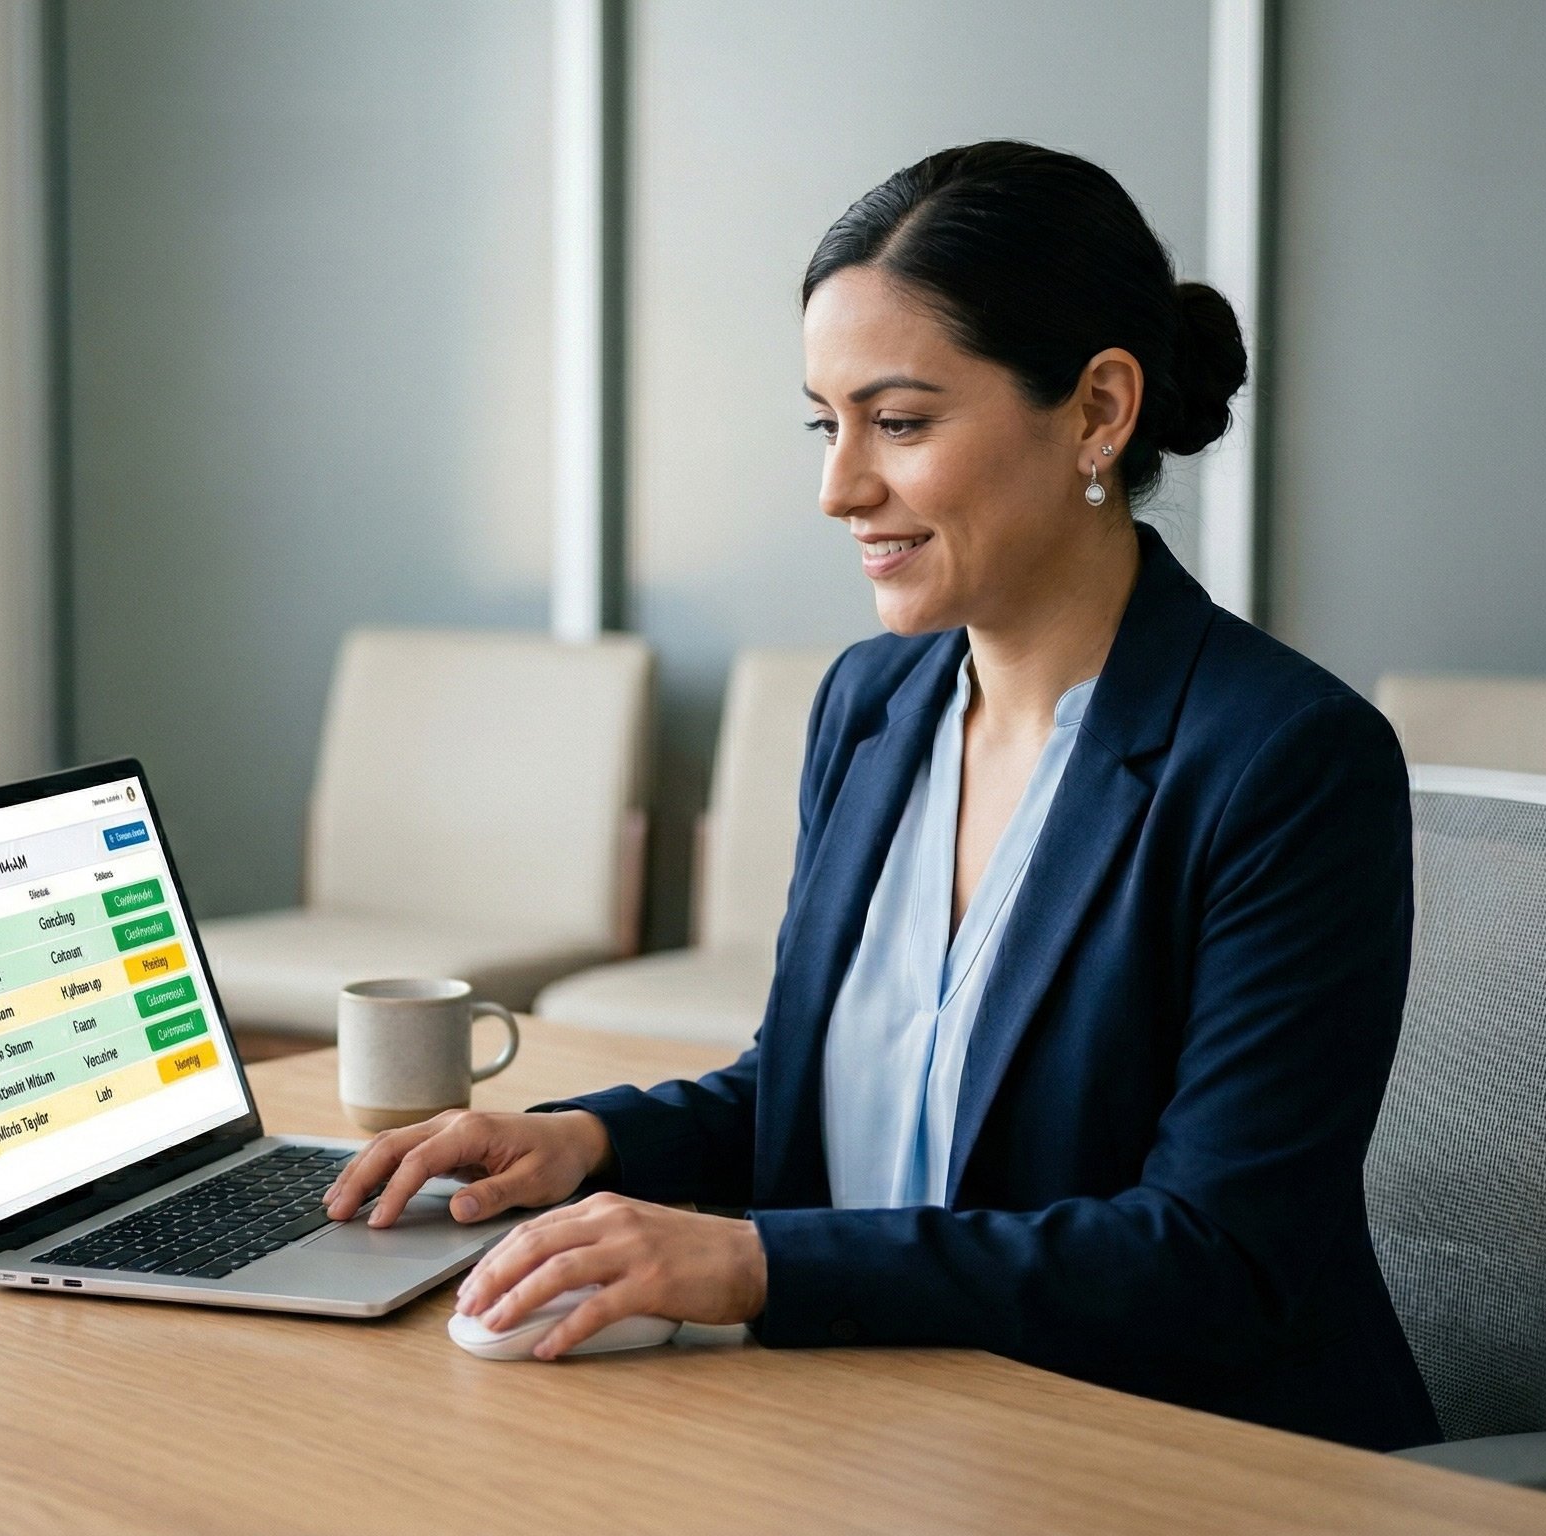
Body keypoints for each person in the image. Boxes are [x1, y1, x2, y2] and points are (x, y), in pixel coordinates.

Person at [322, 140, 1439, 1452]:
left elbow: (1214, 1260)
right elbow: (824, 1091)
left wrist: (756, 1265)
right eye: (826, 422)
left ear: (1097, 410)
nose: (839, 487)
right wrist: (584, 1143)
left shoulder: (1287, 762)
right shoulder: (871, 706)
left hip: (1165, 1455)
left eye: (899, 423)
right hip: (886, 1419)